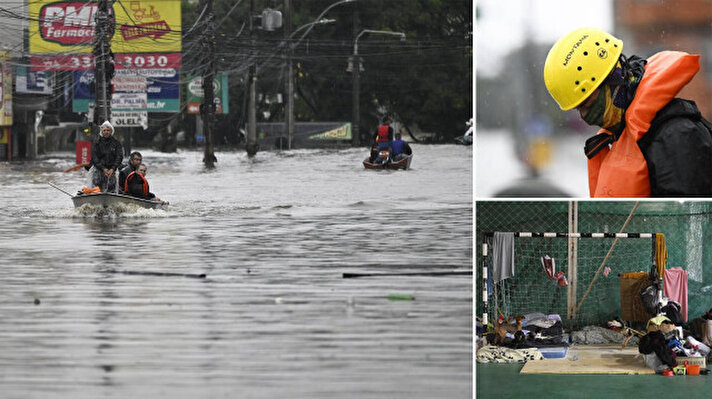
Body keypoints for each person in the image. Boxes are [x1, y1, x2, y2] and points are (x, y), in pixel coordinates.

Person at [543, 27, 712, 197]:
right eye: (578, 108)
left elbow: (688, 220)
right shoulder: (625, 139)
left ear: (614, 79)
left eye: (587, 103)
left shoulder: (676, 135)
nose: (585, 116)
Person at [86, 121, 123, 192]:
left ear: (111, 131)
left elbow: (119, 157)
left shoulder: (116, 143)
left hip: (112, 171)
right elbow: (94, 157)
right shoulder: (96, 143)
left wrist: (113, 168)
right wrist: (103, 169)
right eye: (104, 130)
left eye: (108, 130)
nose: (106, 132)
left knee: (112, 190)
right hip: (98, 170)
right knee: (97, 190)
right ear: (101, 132)